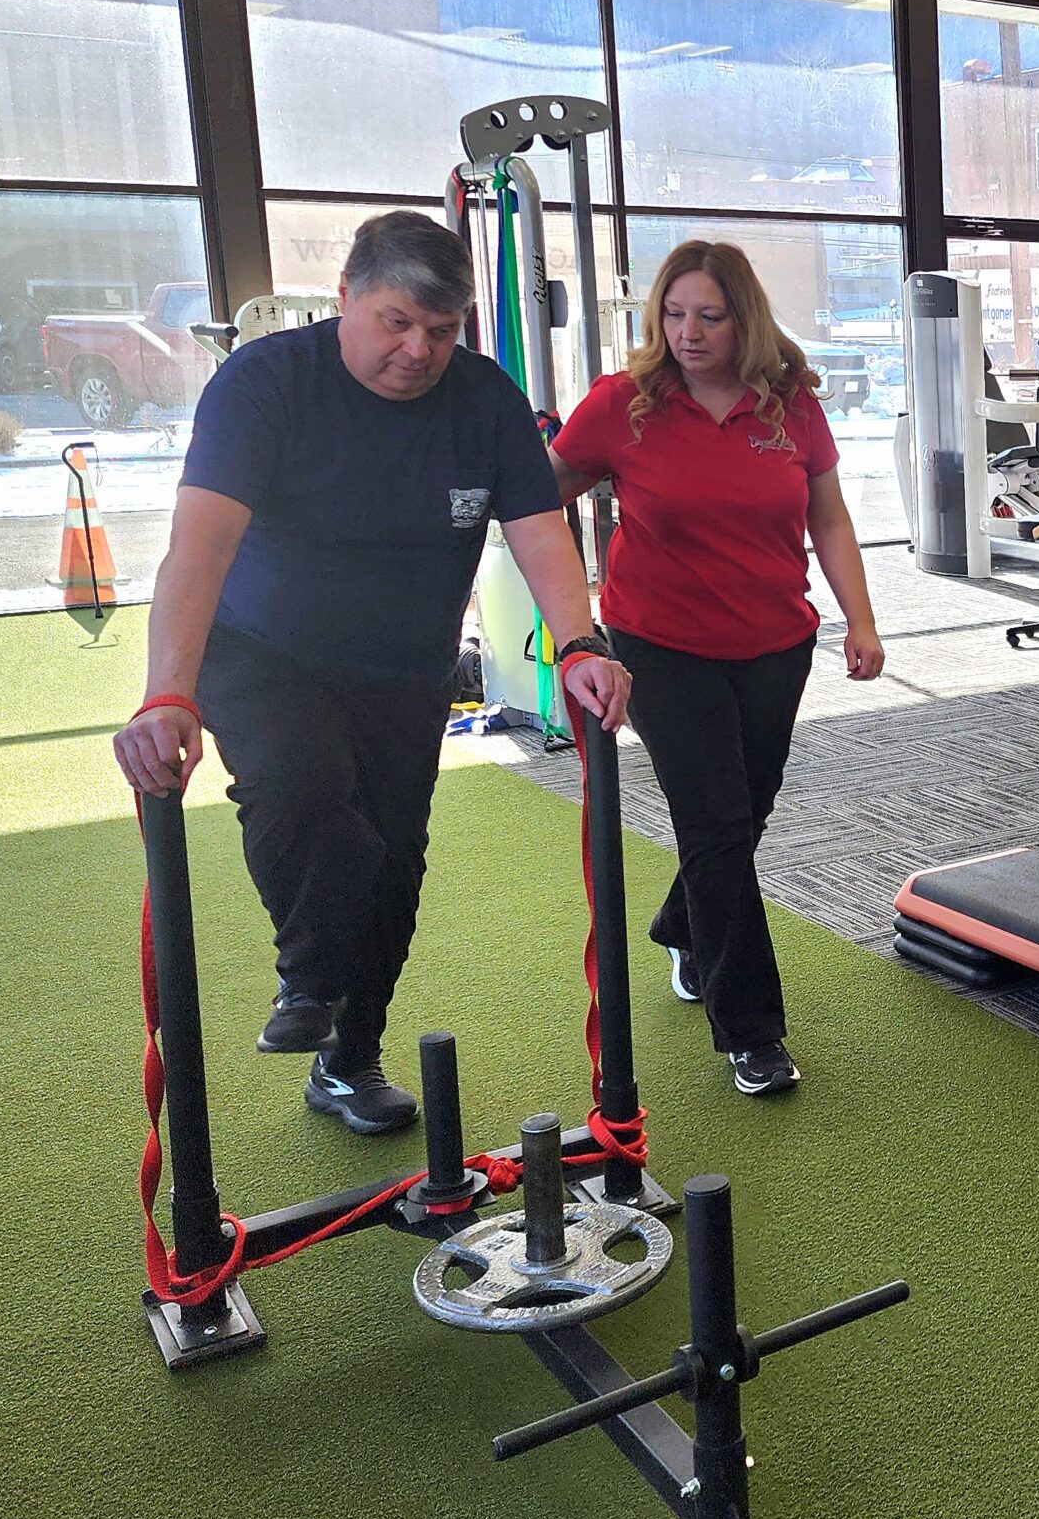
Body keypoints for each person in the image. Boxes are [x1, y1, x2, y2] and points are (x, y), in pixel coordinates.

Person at [111, 211, 630, 1135]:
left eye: (441, 330)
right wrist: (167, 693)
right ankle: (309, 975)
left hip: (403, 668)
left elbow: (540, 532)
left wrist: (581, 642)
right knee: (304, 782)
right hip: (262, 649)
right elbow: (197, 551)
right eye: (396, 322)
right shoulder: (265, 384)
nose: (418, 350)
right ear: (346, 297)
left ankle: (349, 1060)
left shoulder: (484, 398)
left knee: (393, 863)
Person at [549, 241, 884, 1098]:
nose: (687, 333)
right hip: (660, 646)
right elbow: (536, 497)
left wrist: (862, 620)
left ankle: (681, 924)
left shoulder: (792, 405)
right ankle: (751, 1029)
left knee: (742, 812)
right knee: (717, 825)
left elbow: (831, 520)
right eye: (673, 313)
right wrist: (573, 620)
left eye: (709, 315)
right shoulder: (625, 406)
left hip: (775, 643)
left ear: (745, 318)